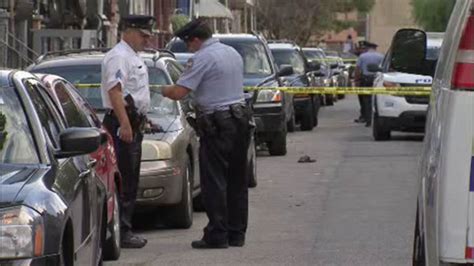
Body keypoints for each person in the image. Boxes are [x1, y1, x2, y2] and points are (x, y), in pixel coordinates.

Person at [161, 18, 252, 249]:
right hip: (239, 120)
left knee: (215, 182)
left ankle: (217, 234)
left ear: (196, 40)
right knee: (236, 180)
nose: (188, 48)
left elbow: (179, 92)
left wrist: (161, 88)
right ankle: (237, 233)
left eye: (188, 43)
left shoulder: (202, 57)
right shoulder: (231, 53)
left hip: (217, 124)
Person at [101, 15, 155, 249]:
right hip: (122, 124)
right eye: (143, 35)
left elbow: (135, 93)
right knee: (124, 180)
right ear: (129, 31)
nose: (147, 40)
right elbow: (115, 92)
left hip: (133, 122)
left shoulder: (132, 56)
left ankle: (125, 228)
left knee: (131, 179)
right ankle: (121, 231)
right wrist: (124, 124)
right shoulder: (119, 57)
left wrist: (143, 118)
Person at [354, 42, 384, 127]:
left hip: (366, 80)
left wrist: (356, 80)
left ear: (367, 48)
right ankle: (377, 119)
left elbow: (357, 69)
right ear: (375, 48)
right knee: (377, 99)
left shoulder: (362, 56)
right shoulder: (381, 56)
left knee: (366, 100)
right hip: (377, 79)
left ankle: (368, 120)